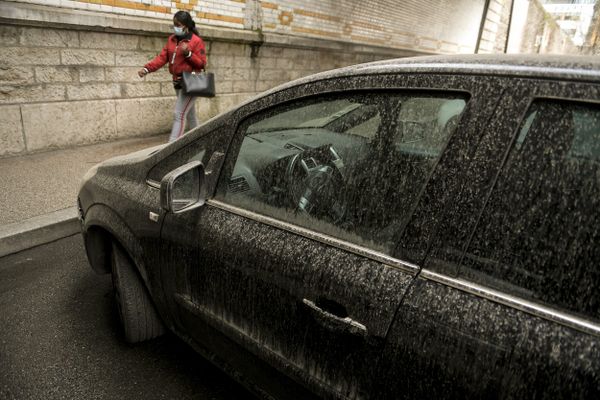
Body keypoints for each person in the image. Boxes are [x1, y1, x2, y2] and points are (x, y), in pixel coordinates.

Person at [138, 11, 207, 142]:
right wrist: (147, 68)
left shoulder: (196, 41)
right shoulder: (172, 39)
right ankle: (200, 141)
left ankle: (172, 145)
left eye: (178, 25)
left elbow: (202, 63)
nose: (175, 27)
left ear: (186, 26)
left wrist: (188, 54)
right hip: (178, 82)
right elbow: (162, 58)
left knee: (179, 114)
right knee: (190, 115)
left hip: (192, 82)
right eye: (174, 24)